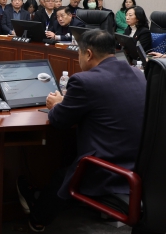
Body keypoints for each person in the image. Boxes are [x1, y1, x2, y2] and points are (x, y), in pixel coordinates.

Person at [17, 29, 146, 231]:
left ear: (88, 54)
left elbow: (59, 121)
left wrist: (57, 104)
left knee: (63, 175)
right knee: (70, 156)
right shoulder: (138, 74)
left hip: (108, 171)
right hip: (139, 167)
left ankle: (37, 220)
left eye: (79, 53)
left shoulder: (84, 81)